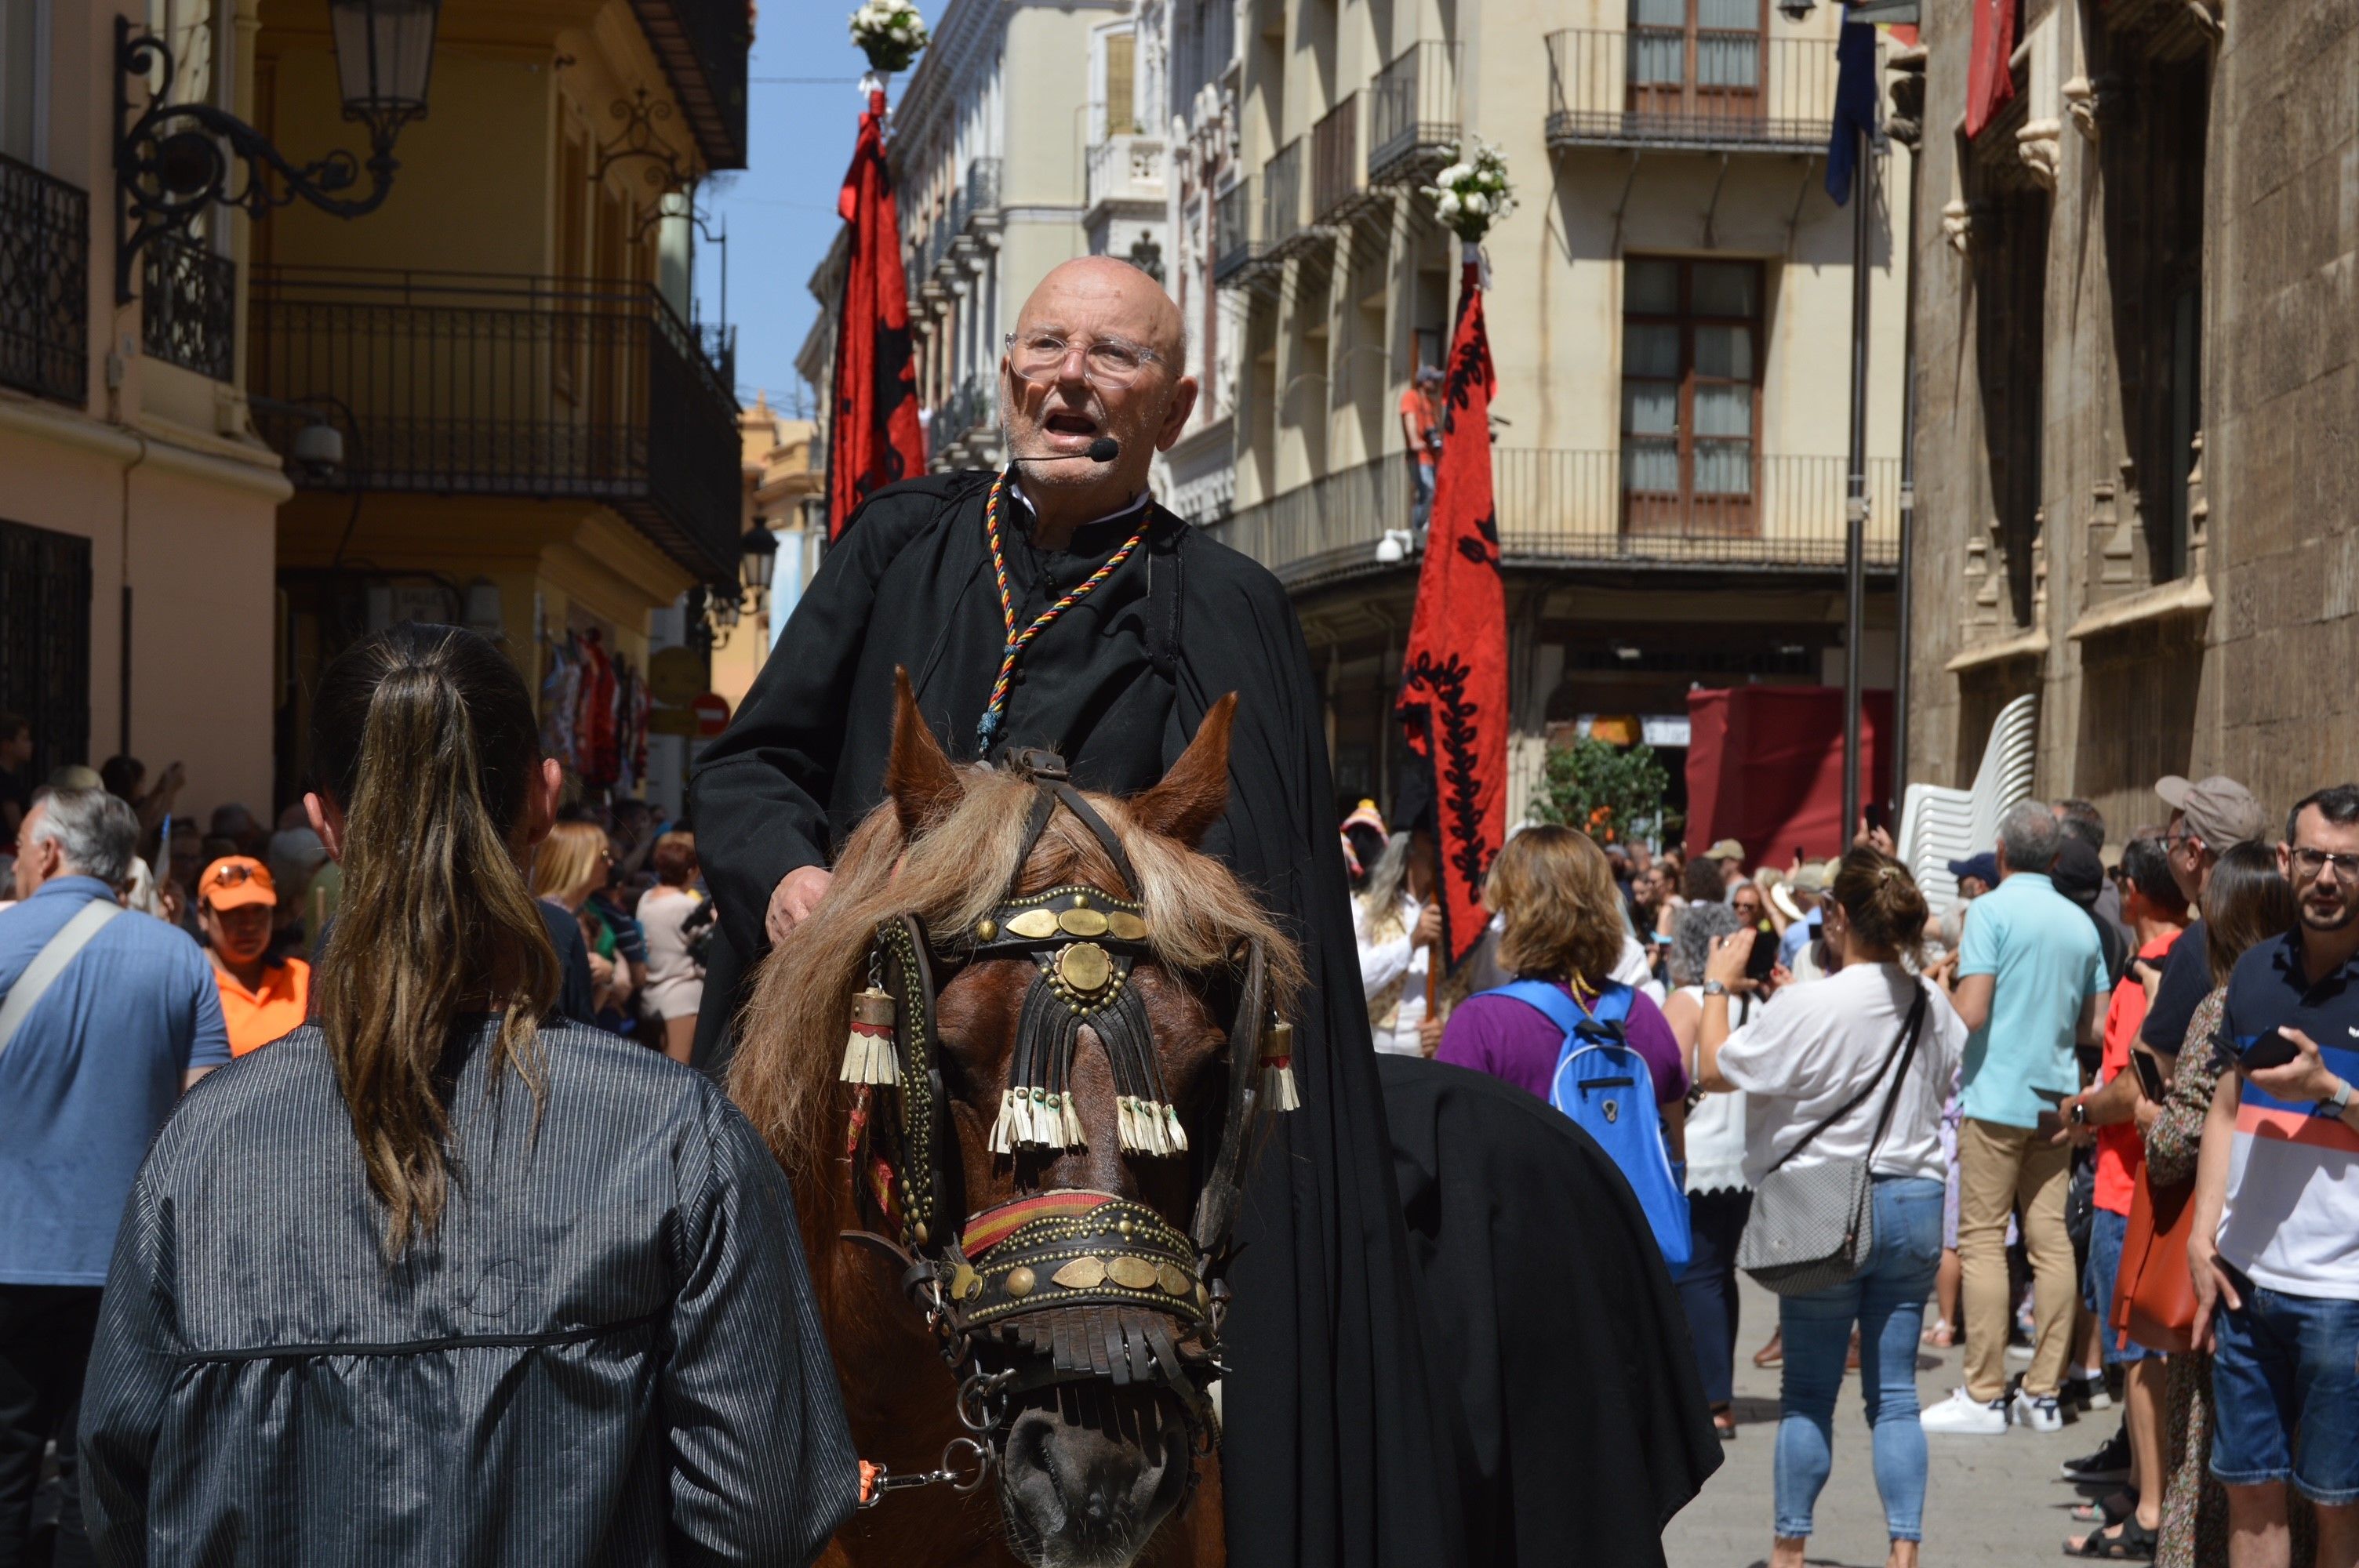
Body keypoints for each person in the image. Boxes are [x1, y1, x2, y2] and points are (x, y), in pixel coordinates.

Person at [690, 255, 1471, 1559]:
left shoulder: (1225, 607)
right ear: (1005, 375)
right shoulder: (897, 543)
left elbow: (1256, 897)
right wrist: (795, 880)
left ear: (1173, 405)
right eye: (1047, 346)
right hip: (879, 1047)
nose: (1070, 378)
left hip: (1101, 1084)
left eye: (1114, 357)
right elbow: (753, 764)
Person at [77, 622, 856, 1563]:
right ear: (543, 797)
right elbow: (761, 1517)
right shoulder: (678, 1140)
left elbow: (121, 1494)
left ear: (323, 823)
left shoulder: (200, 1150)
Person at [1692, 847, 1968, 1568]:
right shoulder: (1932, 1003)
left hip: (1822, 1198)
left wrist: (1717, 989)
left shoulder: (1809, 1002)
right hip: (1914, 1196)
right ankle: (1904, 1552)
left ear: (1838, 916)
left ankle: (1789, 1551)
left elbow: (1714, 1070)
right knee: (1897, 1396)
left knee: (1808, 1392)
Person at [0, 786, 227, 1563]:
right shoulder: (177, 957)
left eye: (22, 843)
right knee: (97, 1482)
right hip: (128, 1264)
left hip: (5, 1255)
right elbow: (208, 1115)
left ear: (51, 851)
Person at [2186, 784, 2359, 1568]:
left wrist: (2334, 1091)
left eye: (2348, 863)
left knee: (2336, 1505)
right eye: (2315, 856)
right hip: (2244, 1285)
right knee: (2250, 1496)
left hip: (2343, 1300)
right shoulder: (2254, 971)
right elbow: (2222, 1107)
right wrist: (2200, 1236)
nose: (2328, 876)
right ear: (2286, 860)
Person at [2136, 844, 2303, 1568]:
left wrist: (2152, 1116)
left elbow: (2176, 1143)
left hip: (2222, 1270)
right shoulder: (2309, 1006)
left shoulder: (2222, 1006)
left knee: (2208, 1462)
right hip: (2301, 1266)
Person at [1921, 800, 2109, 1435]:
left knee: (1980, 1240)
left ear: (2001, 854)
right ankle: (2044, 1391)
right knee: (2051, 1240)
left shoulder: (1991, 912)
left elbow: (1970, 1013)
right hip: (2055, 1096)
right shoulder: (2080, 925)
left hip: (1995, 1095)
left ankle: (1983, 1390)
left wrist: (1937, 988)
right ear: (2055, 858)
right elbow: (2097, 1025)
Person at [2054, 835, 2189, 1555]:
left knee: (2138, 1358)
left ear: (2133, 891)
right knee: (2140, 1358)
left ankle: (2148, 1507)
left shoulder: (2149, 973)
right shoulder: (2182, 961)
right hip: (2141, 1179)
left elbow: (2134, 1085)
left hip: (2126, 1184)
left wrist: (2080, 1113)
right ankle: (2142, 1485)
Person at [1437, 824, 1688, 1149]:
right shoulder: (1645, 1013)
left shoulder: (1480, 1023)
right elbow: (1675, 1161)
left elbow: (1452, 1156)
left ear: (1514, 908)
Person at [1661, 900, 1751, 1440]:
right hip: (1740, 1159)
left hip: (1697, 1155)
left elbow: (1669, 1080)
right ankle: (1719, 1389)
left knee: (1696, 1276)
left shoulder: (1688, 1000)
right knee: (1719, 1277)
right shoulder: (1754, 1004)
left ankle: (1711, 1397)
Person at [2139, 774, 2270, 1073]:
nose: (2167, 853)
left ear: (2193, 855)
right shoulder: (2288, 923)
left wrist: (2154, 996)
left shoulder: (2199, 946)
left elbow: (2151, 1072)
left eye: (2167, 843)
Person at [194, 855, 311, 1058]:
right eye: (233, 912)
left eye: (259, 911)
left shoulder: (301, 977)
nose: (249, 925)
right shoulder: (190, 985)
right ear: (203, 915)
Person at [534, 817, 637, 1022]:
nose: (610, 863)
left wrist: (608, 976)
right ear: (578, 860)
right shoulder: (549, 919)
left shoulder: (586, 911)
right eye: (604, 855)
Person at [1355, 829, 1444, 1056]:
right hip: (1379, 1045)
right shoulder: (1366, 907)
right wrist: (1411, 943)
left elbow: (1471, 984)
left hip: (1432, 1048)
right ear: (1409, 853)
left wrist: (1447, 1026)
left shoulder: (1455, 919)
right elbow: (1357, 980)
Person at [636, 830, 708, 1065]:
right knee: (679, 1076)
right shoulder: (687, 906)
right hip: (683, 1001)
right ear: (690, 870)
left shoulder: (646, 899)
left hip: (650, 999)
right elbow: (707, 947)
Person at [1399, 365, 1441, 532]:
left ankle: (1425, 526)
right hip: (1419, 456)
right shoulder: (1411, 397)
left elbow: (1433, 429)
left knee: (1431, 494)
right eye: (1434, 380)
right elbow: (1409, 418)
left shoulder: (1431, 403)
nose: (1438, 383)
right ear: (1425, 381)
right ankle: (1417, 529)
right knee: (1427, 492)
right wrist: (1414, 441)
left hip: (1431, 457)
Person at [0, 715, 31, 845]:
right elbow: (17, 827)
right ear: (7, 746)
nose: (30, 744)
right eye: (24, 739)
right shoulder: (5, 781)